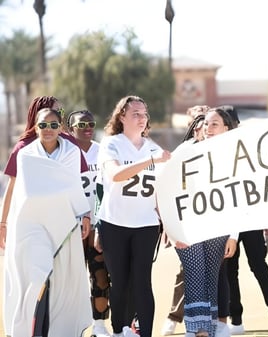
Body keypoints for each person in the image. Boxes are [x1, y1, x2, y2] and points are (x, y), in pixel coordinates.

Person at [2, 107, 92, 336]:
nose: (48, 130)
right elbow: (23, 192)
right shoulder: (25, 154)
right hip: (30, 225)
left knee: (61, 282)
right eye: (43, 125)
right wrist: (4, 223)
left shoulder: (72, 152)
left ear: (61, 127)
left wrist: (85, 215)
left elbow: (75, 186)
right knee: (36, 274)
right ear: (36, 127)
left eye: (53, 125)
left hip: (64, 225)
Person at [95, 95, 171, 337]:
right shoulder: (111, 143)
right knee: (119, 282)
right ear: (122, 117)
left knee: (142, 282)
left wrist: (168, 222)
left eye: (144, 114)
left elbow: (163, 190)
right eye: (135, 113)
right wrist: (149, 160)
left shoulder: (153, 148)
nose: (141, 118)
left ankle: (145, 333)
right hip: (114, 224)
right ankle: (119, 331)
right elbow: (115, 174)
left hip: (146, 225)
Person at [170, 107, 239, 337]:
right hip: (188, 226)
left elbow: (239, 198)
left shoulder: (235, 156)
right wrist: (172, 228)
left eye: (214, 124)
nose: (207, 128)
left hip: (218, 226)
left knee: (210, 276)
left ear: (226, 128)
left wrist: (233, 235)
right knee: (195, 272)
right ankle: (196, 328)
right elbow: (169, 187)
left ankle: (207, 326)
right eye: (206, 123)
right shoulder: (186, 150)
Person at [68, 109, 112, 337]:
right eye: (82, 124)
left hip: (97, 224)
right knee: (71, 280)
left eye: (91, 124)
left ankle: (99, 325)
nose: (88, 128)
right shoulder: (64, 153)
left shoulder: (103, 151)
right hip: (70, 227)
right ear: (70, 128)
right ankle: (71, 326)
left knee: (100, 277)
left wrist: (101, 222)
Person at [226, 228, 268, 335]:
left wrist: (265, 221)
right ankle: (235, 320)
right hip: (228, 224)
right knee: (229, 271)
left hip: (250, 220)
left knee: (259, 267)